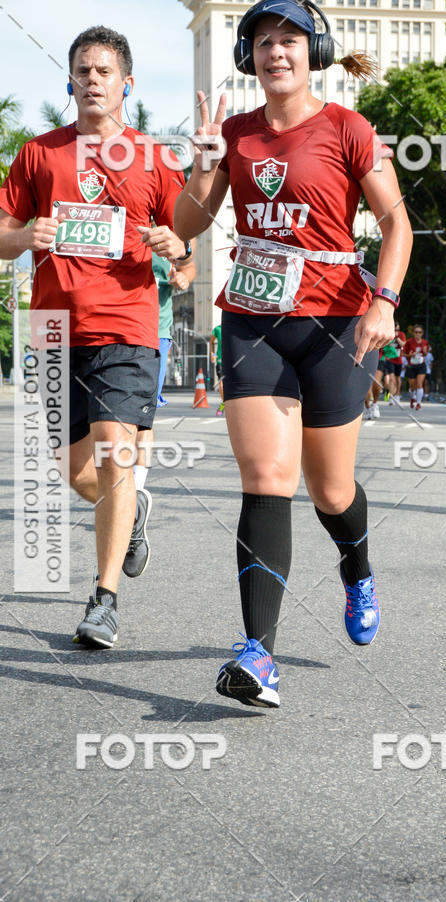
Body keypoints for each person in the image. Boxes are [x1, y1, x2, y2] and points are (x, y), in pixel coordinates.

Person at [174, 0, 412, 708]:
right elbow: (187, 224)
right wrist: (203, 164)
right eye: (263, 42)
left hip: (337, 324)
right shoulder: (236, 134)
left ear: (315, 52)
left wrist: (384, 302)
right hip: (253, 319)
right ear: (249, 58)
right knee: (266, 477)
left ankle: (357, 567)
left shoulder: (348, 128)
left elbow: (397, 224)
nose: (276, 51)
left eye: (289, 40)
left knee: (330, 491)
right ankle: (259, 656)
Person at [0, 26, 189, 647]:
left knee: (114, 451)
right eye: (83, 70)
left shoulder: (154, 158)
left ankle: (103, 600)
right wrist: (23, 237)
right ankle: (133, 511)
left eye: (104, 71)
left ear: (126, 84)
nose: (92, 80)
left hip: (126, 327)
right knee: (76, 472)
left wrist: (177, 251)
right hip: (54, 331)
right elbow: (1, 233)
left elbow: (185, 246)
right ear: (70, 80)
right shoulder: (38, 155)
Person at [130, 245, 196, 578]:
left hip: (156, 333)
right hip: (114, 329)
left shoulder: (172, 227)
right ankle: (123, 498)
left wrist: (184, 277)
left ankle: (135, 495)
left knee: (142, 418)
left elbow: (189, 264)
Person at [403, 324, 430, 410]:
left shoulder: (425, 342)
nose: (418, 334)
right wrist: (409, 355)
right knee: (412, 386)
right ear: (413, 333)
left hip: (421, 365)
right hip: (411, 366)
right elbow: (402, 353)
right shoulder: (409, 342)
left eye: (420, 332)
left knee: (419, 384)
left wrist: (425, 352)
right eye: (416, 332)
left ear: (422, 333)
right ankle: (413, 397)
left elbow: (426, 353)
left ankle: (418, 403)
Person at [210, 321, 224, 415]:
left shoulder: (234, 327)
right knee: (221, 385)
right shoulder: (218, 329)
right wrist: (213, 354)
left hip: (233, 361)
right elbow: (211, 342)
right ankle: (223, 404)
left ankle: (227, 404)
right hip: (220, 361)